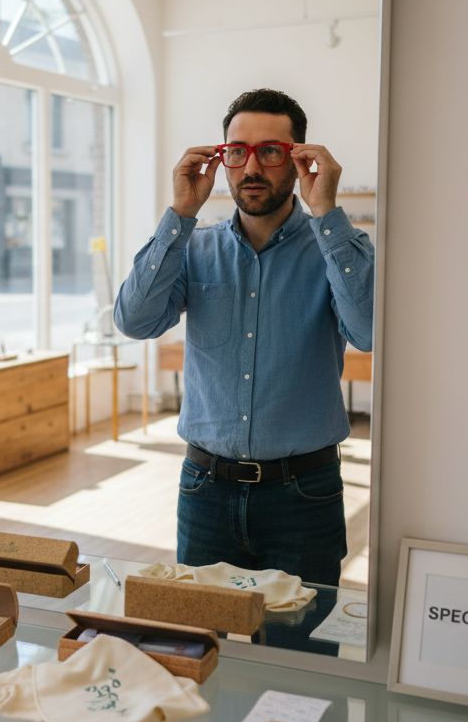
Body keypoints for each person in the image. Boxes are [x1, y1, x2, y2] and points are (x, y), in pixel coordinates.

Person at [114, 88, 374, 588]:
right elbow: (135, 321)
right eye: (238, 152)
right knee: (197, 653)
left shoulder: (338, 248)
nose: (251, 168)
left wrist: (328, 214)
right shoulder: (195, 246)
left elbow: (368, 332)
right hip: (205, 491)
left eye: (270, 152)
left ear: (300, 160)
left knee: (298, 656)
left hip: (304, 495)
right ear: (223, 159)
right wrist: (179, 215)